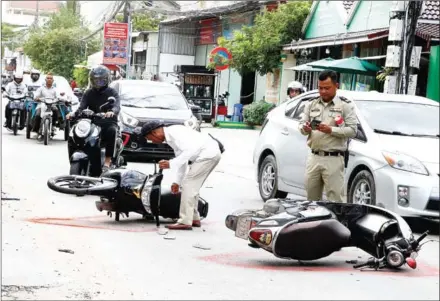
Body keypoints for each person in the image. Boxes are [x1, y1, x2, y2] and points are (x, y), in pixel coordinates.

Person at [140, 121, 222, 230]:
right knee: (191, 186)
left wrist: (171, 163)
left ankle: (185, 221)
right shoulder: (171, 137)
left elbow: (189, 151)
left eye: (150, 138)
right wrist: (177, 182)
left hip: (207, 154)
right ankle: (194, 218)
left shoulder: (175, 132)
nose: (153, 141)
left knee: (188, 185)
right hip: (209, 154)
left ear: (154, 132)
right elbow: (182, 160)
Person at [298, 70, 357, 203]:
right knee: (311, 200)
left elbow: (353, 130)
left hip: (334, 159)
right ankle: (313, 224)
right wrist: (305, 128)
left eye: (327, 88)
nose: (323, 91)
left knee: (335, 200)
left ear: (337, 85)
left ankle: (336, 223)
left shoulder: (345, 106)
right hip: (314, 157)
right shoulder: (311, 104)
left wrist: (331, 130)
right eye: (320, 88)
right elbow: (301, 125)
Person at [66, 65, 121, 175]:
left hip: (107, 121)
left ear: (106, 79)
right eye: (95, 80)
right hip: (92, 121)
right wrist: (73, 114)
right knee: (76, 131)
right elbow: (81, 107)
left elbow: (116, 106)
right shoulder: (88, 92)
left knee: (111, 131)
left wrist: (112, 112)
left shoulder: (112, 92)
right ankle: (79, 155)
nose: (98, 82)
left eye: (101, 80)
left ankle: (107, 161)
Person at [32, 72, 61, 138]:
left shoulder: (55, 89)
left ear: (53, 80)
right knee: (37, 115)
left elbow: (58, 96)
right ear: (45, 80)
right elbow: (36, 95)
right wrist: (37, 98)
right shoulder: (41, 88)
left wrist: (59, 98)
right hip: (42, 105)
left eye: (51, 78)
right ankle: (36, 130)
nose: (49, 79)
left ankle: (53, 126)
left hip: (52, 105)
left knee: (56, 111)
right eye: (48, 78)